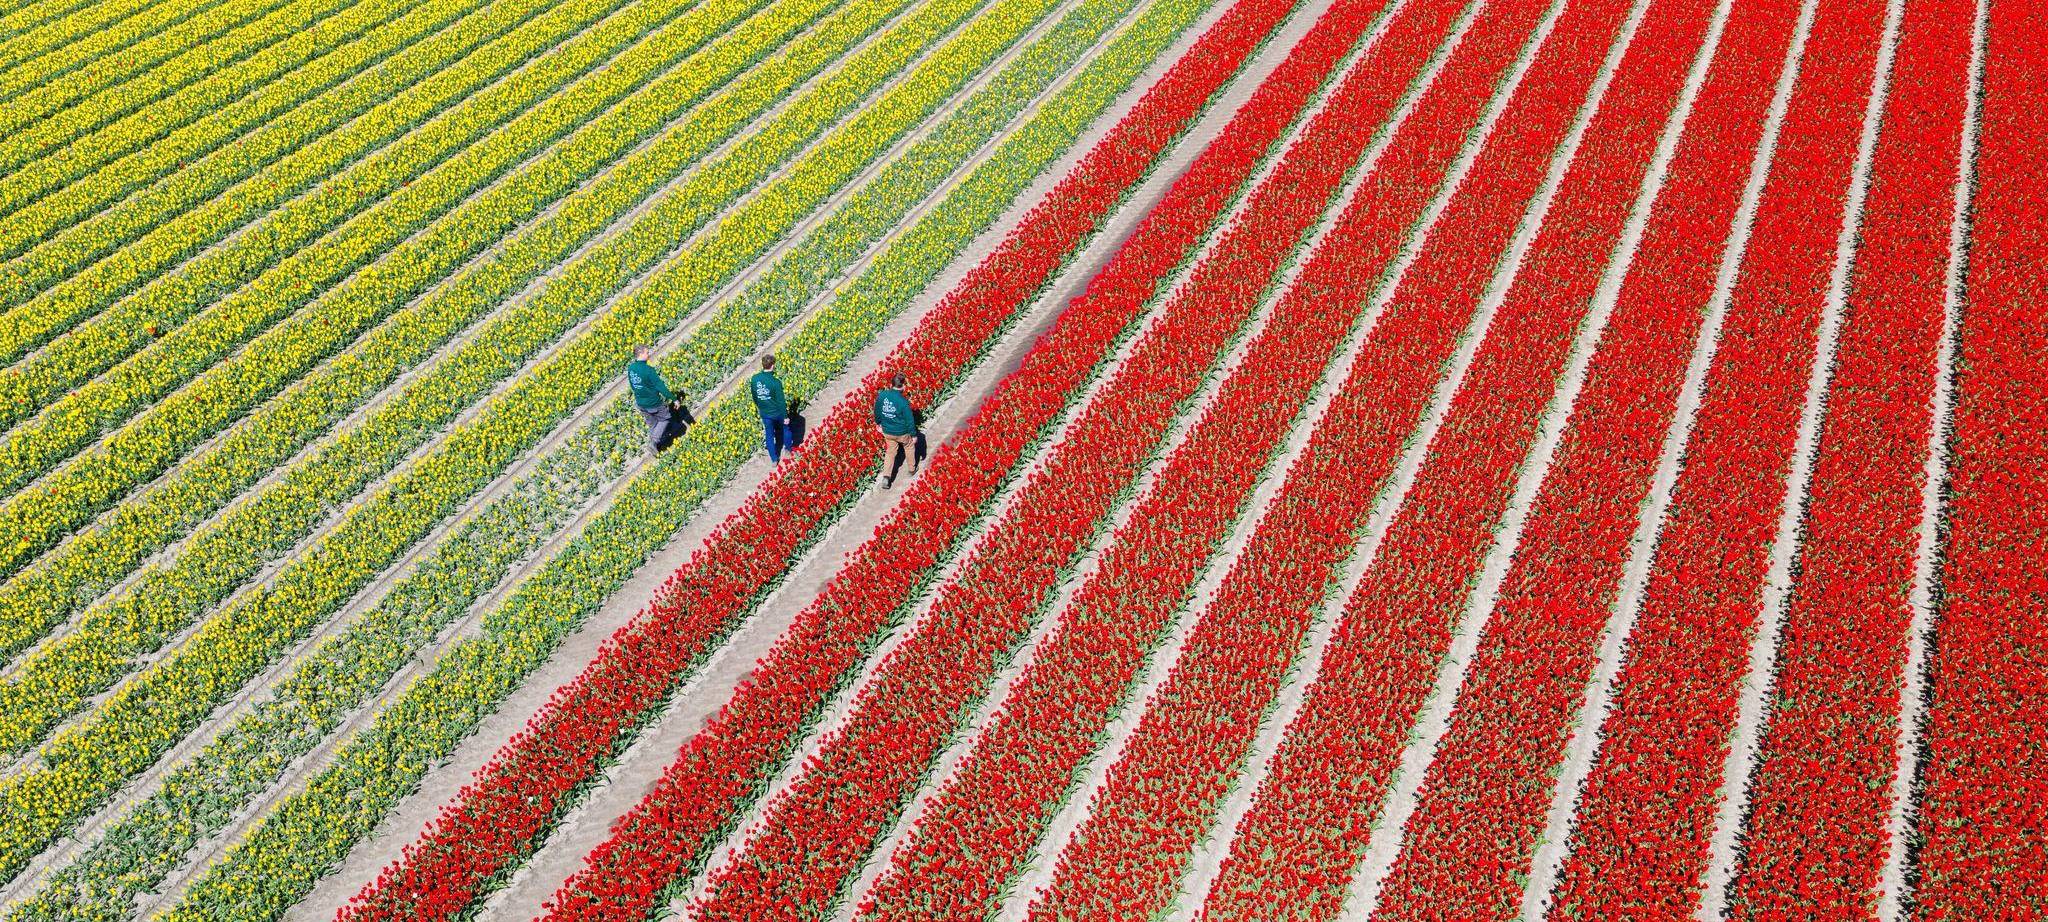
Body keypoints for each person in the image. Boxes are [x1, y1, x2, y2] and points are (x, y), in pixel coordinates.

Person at [626, 346, 691, 456]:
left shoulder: (631, 368)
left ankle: (655, 445)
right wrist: (674, 399)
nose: (649, 354)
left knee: (653, 424)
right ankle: (654, 442)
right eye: (647, 353)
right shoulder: (648, 370)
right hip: (653, 402)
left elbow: (633, 385)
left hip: (641, 403)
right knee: (665, 419)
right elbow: (661, 387)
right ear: (640, 354)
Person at [873, 371, 921, 488]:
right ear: (903, 386)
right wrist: (914, 435)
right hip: (901, 432)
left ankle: (886, 476)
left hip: (887, 431)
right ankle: (911, 468)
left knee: (890, 452)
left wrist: (878, 423)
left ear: (891, 384)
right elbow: (910, 420)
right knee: (909, 446)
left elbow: (877, 411)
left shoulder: (882, 396)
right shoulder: (903, 402)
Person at [750, 354, 797, 464]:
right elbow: (781, 402)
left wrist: (760, 407)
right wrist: (785, 416)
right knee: (786, 429)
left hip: (765, 413)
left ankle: (774, 459)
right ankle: (788, 450)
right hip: (777, 412)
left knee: (769, 435)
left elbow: (755, 396)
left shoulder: (755, 379)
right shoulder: (775, 382)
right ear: (772, 365)